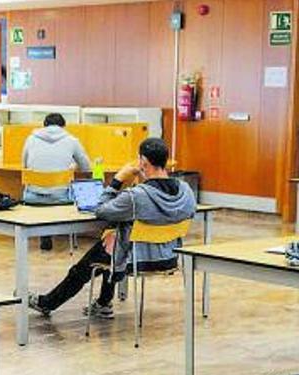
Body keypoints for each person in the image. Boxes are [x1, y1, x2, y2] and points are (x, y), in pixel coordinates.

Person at [28, 137, 195, 319]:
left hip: (135, 258)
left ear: (143, 162)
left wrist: (117, 180)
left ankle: (47, 303)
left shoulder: (136, 196)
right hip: (168, 256)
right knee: (113, 239)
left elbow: (101, 210)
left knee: (84, 267)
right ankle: (103, 303)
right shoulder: (186, 191)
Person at [23, 113, 92, 251]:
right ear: (63, 126)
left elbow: (25, 165)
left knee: (40, 191)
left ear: (44, 125)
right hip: (61, 196)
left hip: (33, 196)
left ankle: (44, 233)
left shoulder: (30, 139)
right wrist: (72, 166)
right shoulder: (72, 140)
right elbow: (86, 167)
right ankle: (70, 234)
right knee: (67, 188)